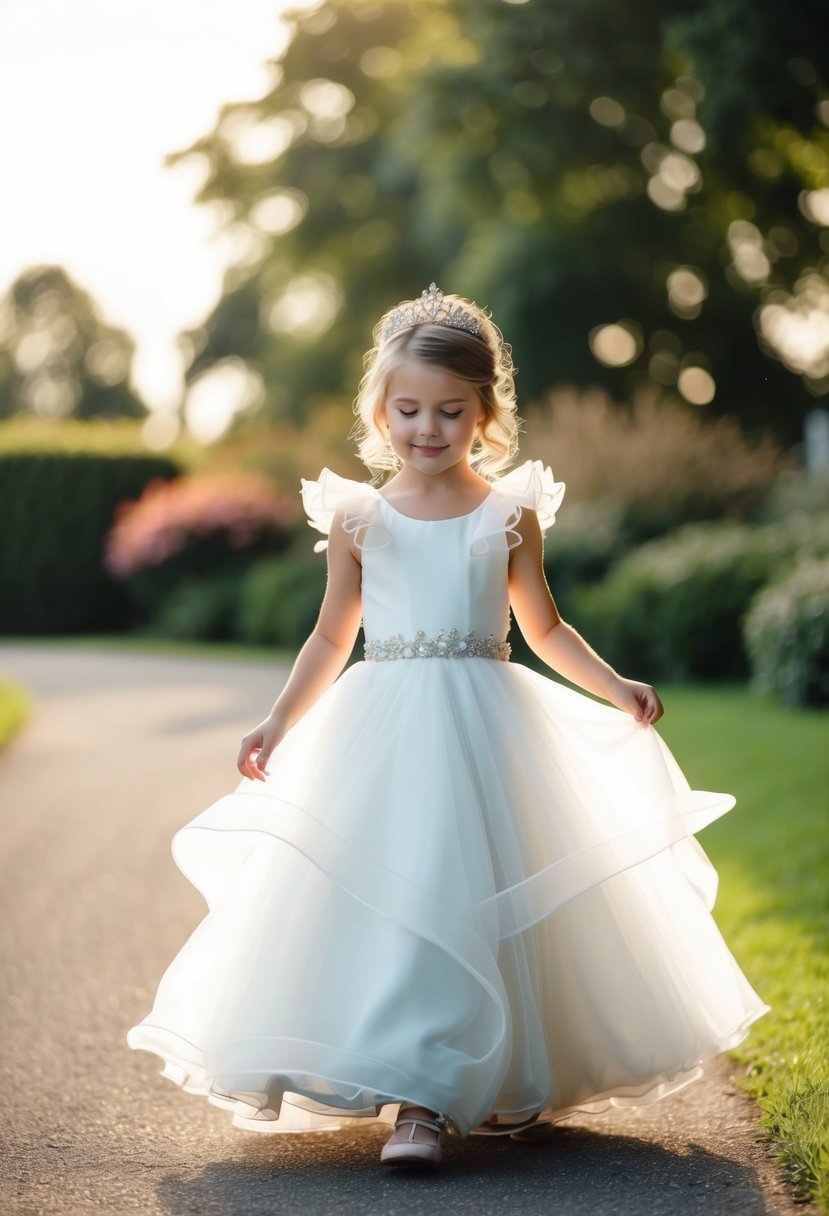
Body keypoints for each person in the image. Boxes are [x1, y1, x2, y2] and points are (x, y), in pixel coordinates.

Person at [127, 284, 767, 1168]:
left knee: (489, 892)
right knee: (403, 893)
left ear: (485, 414)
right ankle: (419, 1099)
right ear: (379, 409)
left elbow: (542, 626)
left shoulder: (509, 512)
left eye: (450, 411)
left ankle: (493, 1079)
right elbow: (331, 633)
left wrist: (611, 682)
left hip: (486, 728)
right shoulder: (358, 517)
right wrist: (276, 721)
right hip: (382, 730)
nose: (427, 428)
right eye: (408, 409)